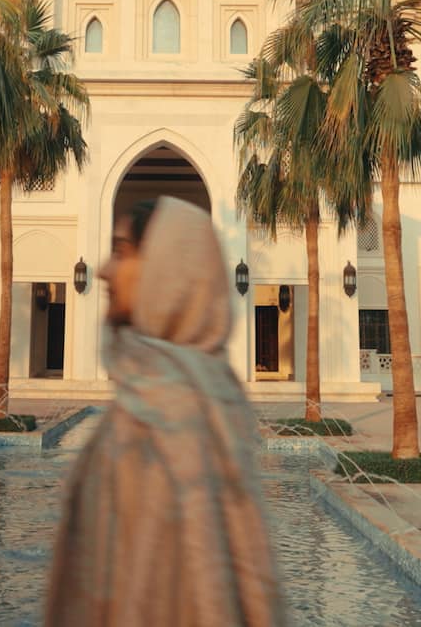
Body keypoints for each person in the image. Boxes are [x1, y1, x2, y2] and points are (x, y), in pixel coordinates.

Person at [43, 196, 284, 627]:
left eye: (121, 252)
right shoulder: (195, 399)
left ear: (166, 274)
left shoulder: (165, 420)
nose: (102, 270)